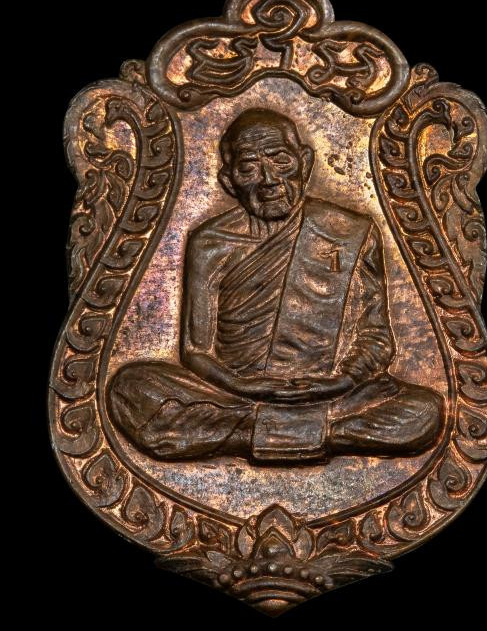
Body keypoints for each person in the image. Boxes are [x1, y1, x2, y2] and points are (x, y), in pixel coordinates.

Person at [108, 108, 444, 463]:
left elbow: (375, 337)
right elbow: (196, 350)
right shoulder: (210, 243)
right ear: (229, 181)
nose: (269, 180)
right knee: (130, 387)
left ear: (305, 163)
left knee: (425, 411)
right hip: (235, 396)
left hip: (330, 395)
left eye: (280, 160)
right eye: (249, 168)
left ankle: (250, 435)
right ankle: (322, 434)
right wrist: (242, 385)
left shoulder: (349, 231)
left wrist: (343, 381)